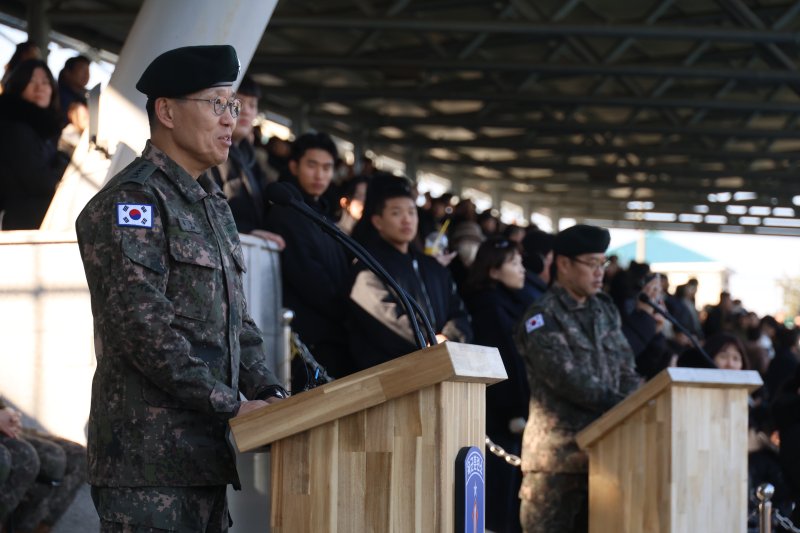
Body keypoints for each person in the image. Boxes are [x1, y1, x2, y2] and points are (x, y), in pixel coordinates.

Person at [75, 45, 286, 532]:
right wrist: (233, 404)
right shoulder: (134, 202)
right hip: (147, 465)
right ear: (167, 111)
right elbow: (143, 332)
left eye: (233, 106)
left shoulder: (213, 205)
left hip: (203, 457)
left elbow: (240, 324)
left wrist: (270, 393)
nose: (230, 120)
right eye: (216, 104)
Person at [514, 224, 641, 533]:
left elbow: (626, 368)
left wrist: (640, 398)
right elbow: (570, 380)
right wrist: (632, 406)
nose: (600, 272)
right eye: (592, 263)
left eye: (604, 263)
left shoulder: (605, 309)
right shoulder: (542, 316)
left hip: (608, 458)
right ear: (564, 264)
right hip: (557, 464)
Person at [347, 175, 472, 370]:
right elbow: (388, 322)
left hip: (442, 366)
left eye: (412, 212)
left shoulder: (433, 267)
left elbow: (459, 313)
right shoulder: (369, 268)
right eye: (396, 213)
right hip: (398, 375)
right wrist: (430, 342)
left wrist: (449, 337)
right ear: (377, 221)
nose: (407, 219)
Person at [264, 132, 352, 383]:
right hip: (308, 341)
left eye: (327, 167)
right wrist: (347, 309)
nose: (320, 175)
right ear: (294, 166)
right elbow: (309, 278)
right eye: (311, 165)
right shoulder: (287, 212)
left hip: (332, 335)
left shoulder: (323, 214)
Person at [463, 237, 529, 533]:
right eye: (514, 263)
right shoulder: (489, 307)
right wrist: (517, 409)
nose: (522, 270)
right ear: (493, 270)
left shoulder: (511, 302)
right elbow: (506, 362)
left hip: (512, 413)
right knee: (498, 498)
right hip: (501, 416)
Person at [208, 75, 284, 249]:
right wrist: (247, 231)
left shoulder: (251, 159)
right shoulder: (210, 154)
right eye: (239, 102)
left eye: (253, 105)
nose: (247, 111)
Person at [0, 59, 69, 230]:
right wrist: (62, 167)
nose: (40, 88)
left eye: (45, 82)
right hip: (21, 221)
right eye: (32, 81)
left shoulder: (43, 126)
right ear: (18, 86)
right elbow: (40, 181)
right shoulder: (13, 126)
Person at [57, 55, 90, 127]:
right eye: (82, 70)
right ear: (67, 73)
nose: (86, 74)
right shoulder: (58, 94)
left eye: (88, 71)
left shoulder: (84, 97)